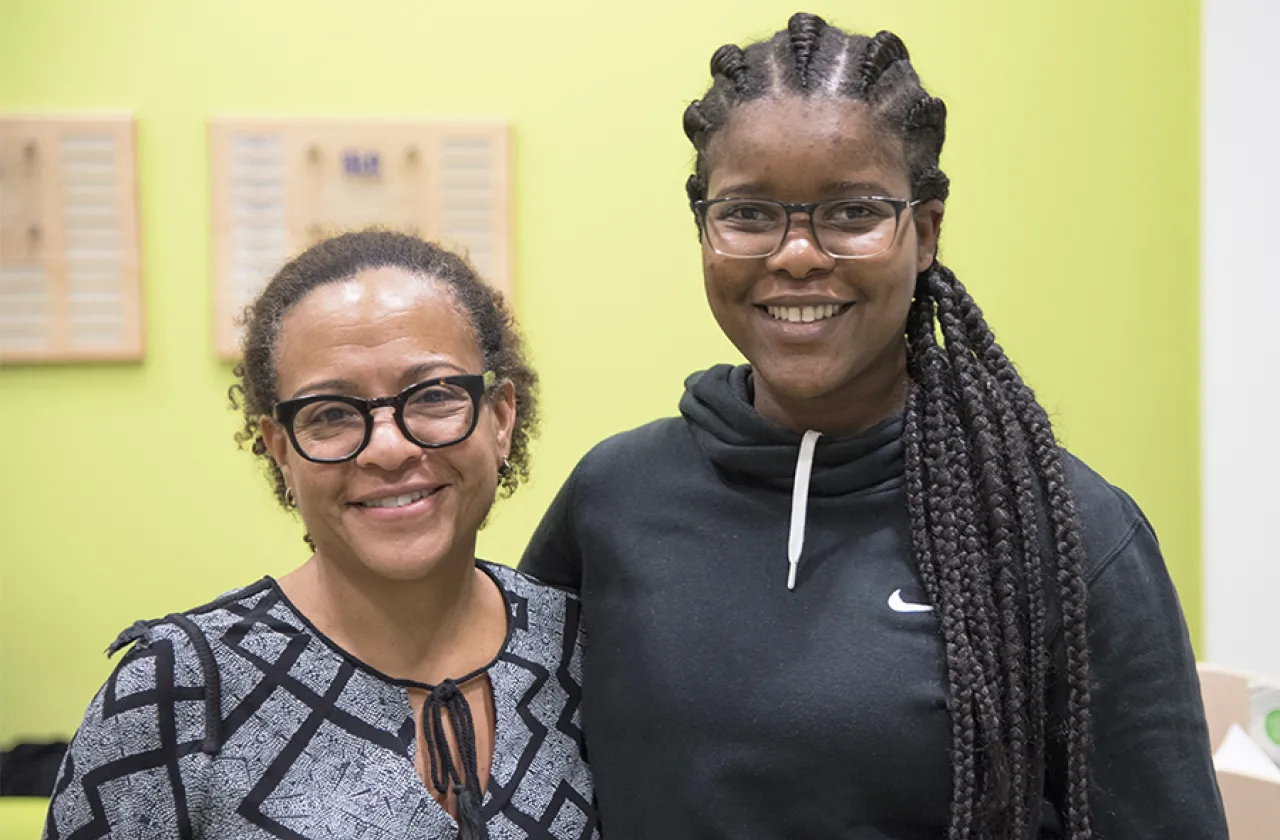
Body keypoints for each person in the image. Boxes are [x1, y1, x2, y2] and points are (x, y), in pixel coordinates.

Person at [520, 13, 1226, 840]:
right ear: (705, 232)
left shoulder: (1062, 530)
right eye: (747, 214)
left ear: (922, 234)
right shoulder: (615, 497)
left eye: (851, 212)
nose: (795, 255)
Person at [45, 231, 597, 840]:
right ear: (280, 450)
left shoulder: (589, 648)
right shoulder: (175, 695)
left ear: (500, 417)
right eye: (331, 413)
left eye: (435, 394)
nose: (389, 448)